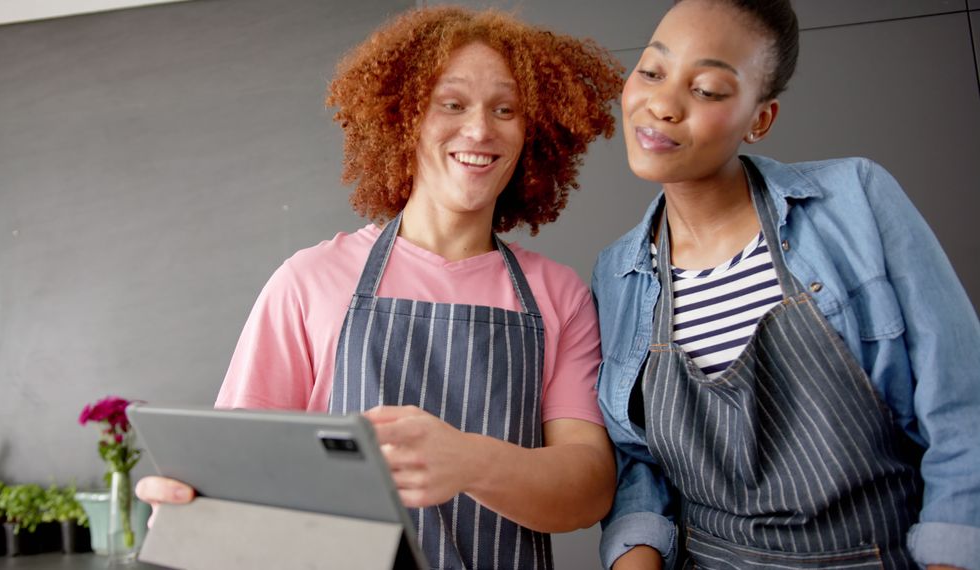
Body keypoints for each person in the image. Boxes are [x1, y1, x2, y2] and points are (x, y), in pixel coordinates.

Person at [137, 6, 626, 569]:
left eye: (506, 109)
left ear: (533, 131)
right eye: (452, 103)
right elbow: (235, 482)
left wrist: (466, 461)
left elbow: (589, 490)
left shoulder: (557, 294)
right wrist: (192, 509)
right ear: (404, 116)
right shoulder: (310, 282)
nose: (480, 129)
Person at [593, 0, 980, 568]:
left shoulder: (856, 201)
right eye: (651, 71)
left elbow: (964, 410)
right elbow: (638, 465)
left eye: (706, 89)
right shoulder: (619, 272)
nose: (661, 104)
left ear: (760, 118)